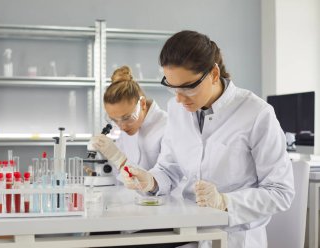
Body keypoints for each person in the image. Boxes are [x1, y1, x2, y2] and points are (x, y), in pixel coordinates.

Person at [121, 30, 295, 248]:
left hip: (236, 238)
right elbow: (168, 167)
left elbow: (280, 192)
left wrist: (224, 202)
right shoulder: (176, 109)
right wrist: (151, 180)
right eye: (172, 87)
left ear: (213, 73)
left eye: (188, 87)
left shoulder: (256, 113)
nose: (179, 98)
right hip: (188, 231)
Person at [90, 65, 168, 178]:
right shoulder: (127, 127)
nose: (121, 126)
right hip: (131, 195)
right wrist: (104, 166)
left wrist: (118, 158)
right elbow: (120, 175)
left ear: (142, 104)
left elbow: (164, 179)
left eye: (126, 118)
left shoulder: (167, 126)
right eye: (114, 120)